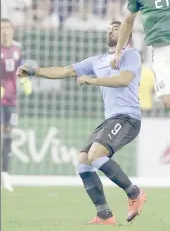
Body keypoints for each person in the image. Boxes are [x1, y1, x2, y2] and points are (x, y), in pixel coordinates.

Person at [16, 21, 147, 225]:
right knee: (84, 162)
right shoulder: (97, 61)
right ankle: (104, 215)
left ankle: (135, 193)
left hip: (128, 117)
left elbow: (123, 80)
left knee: (95, 155)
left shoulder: (131, 55)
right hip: (111, 119)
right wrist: (34, 71)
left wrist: (92, 81)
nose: (110, 31)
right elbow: (63, 71)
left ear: (127, 33)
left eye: (116, 28)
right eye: (108, 29)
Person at [1, 18, 32, 192]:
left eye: (7, 27)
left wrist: (25, 81)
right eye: (1, 28)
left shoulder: (17, 48)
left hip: (12, 101)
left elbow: (21, 69)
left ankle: (5, 175)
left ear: (12, 30)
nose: (4, 31)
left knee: (7, 137)